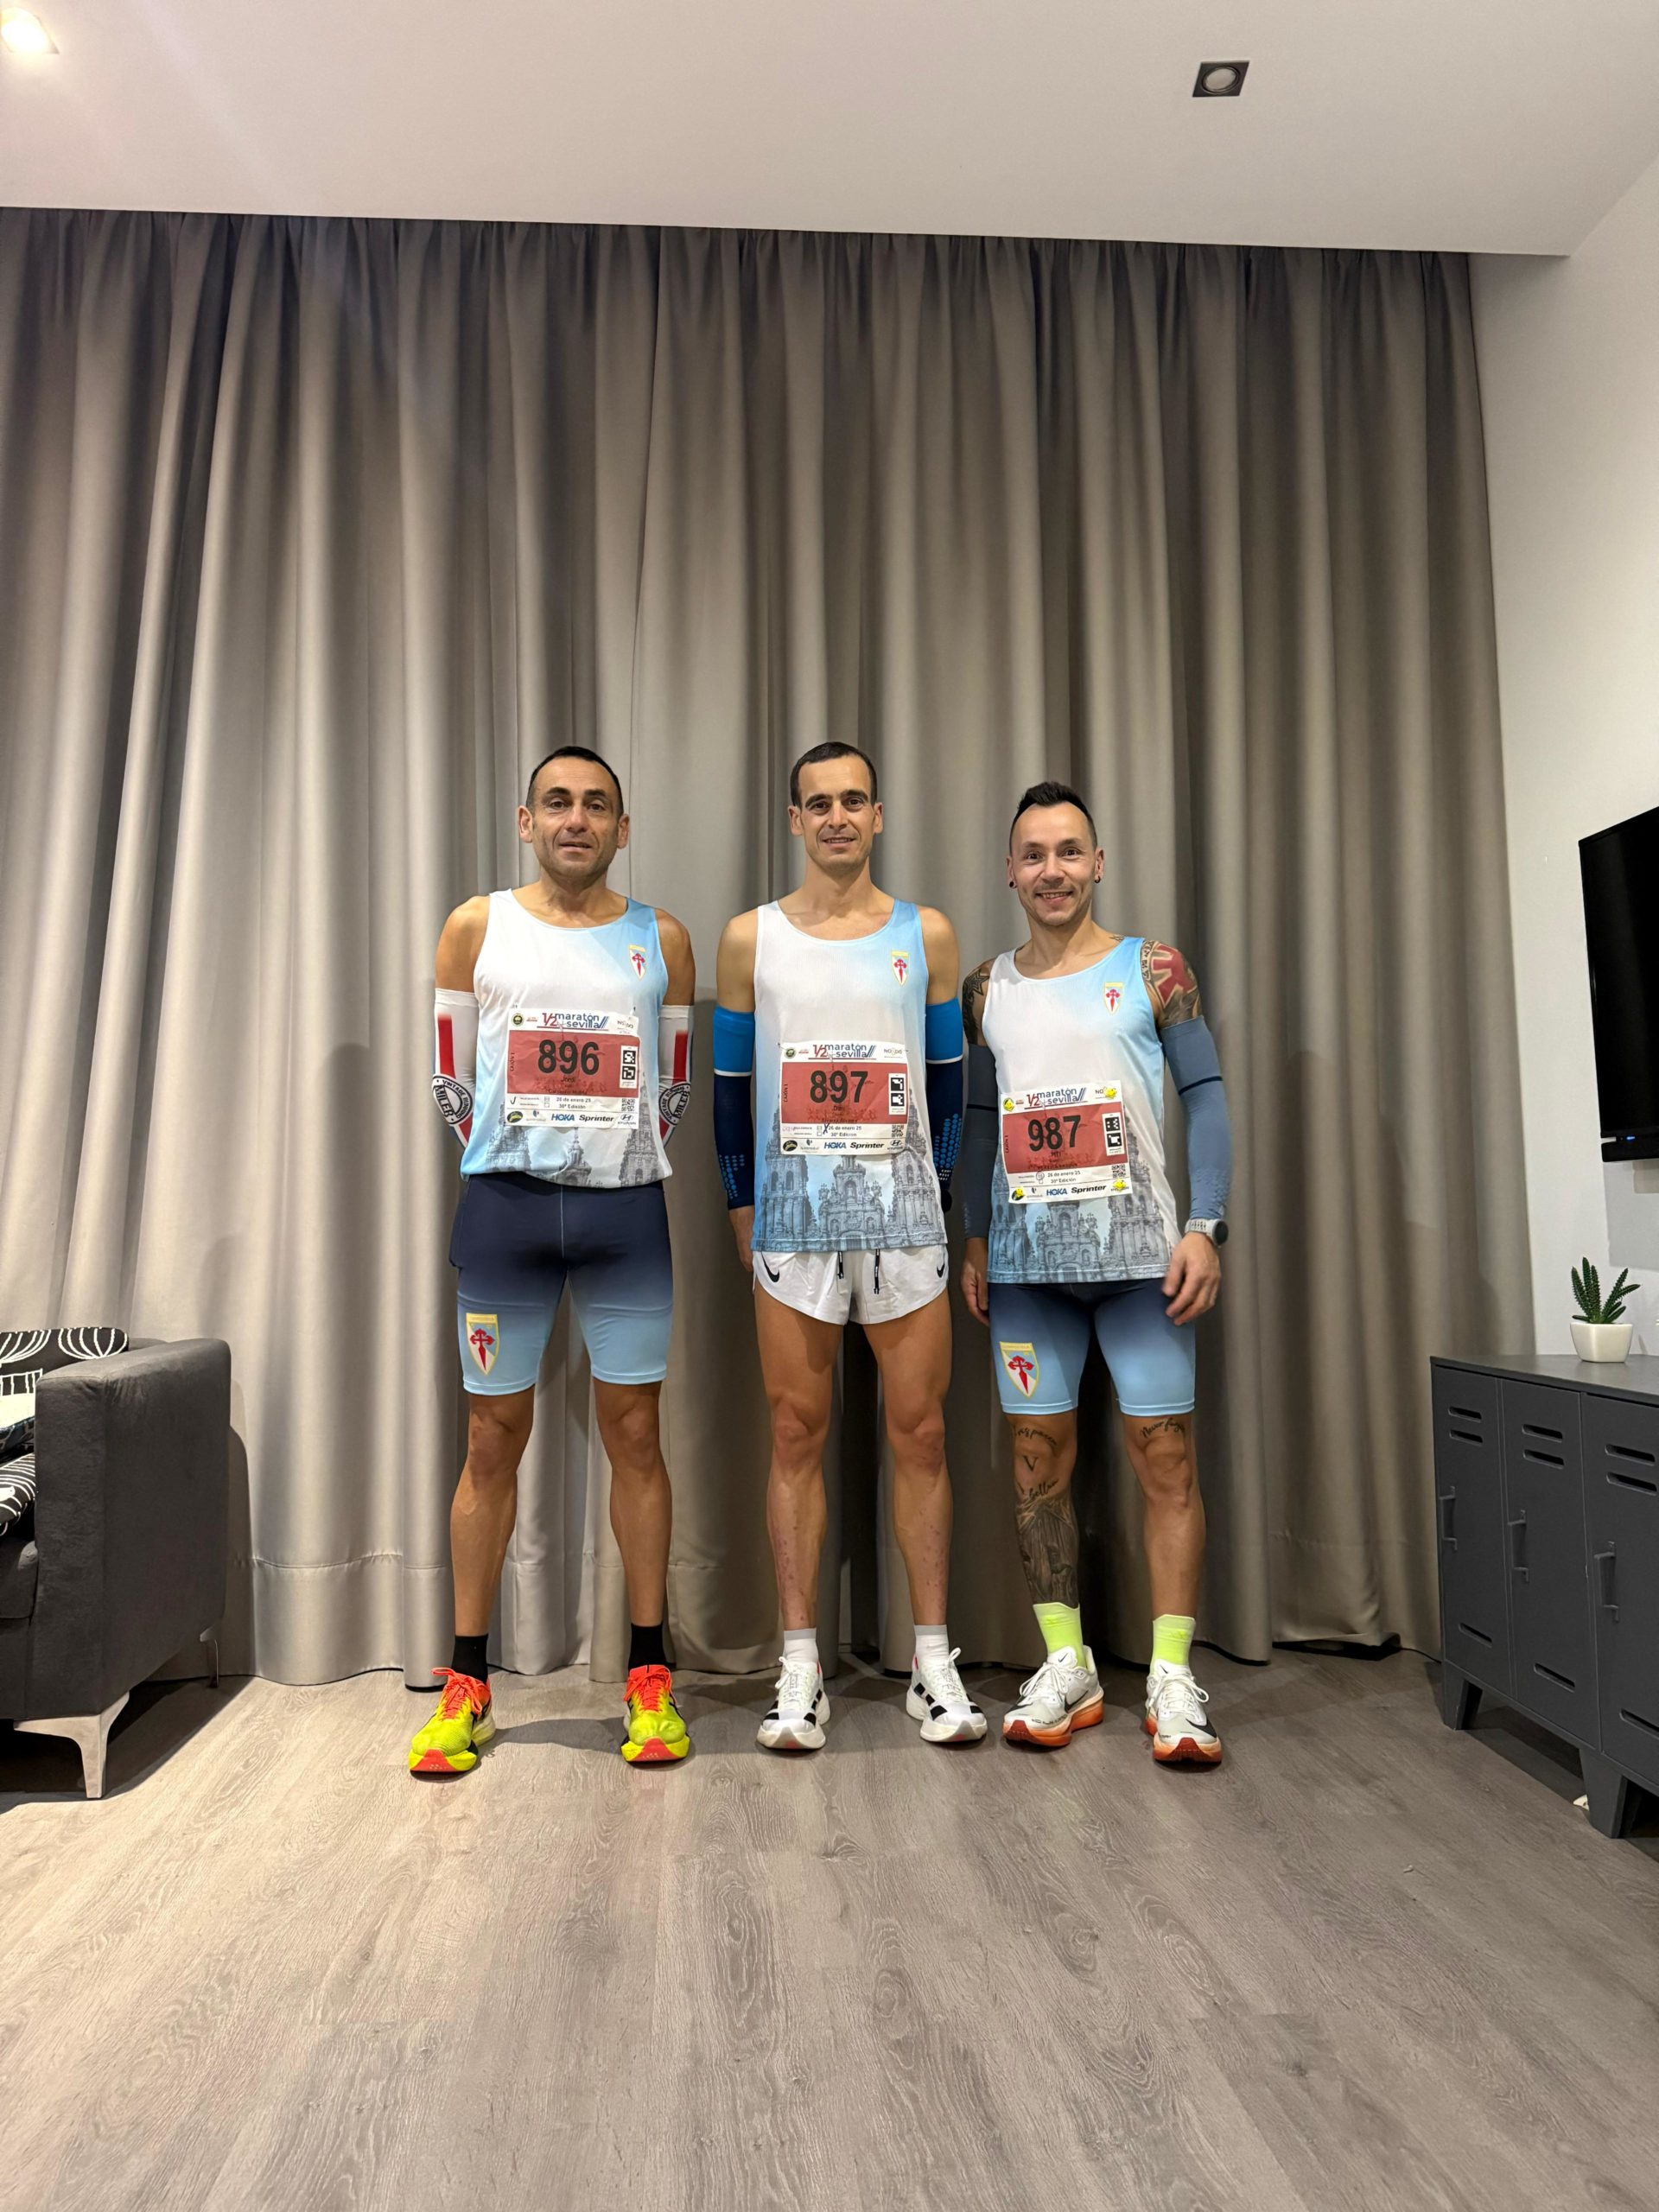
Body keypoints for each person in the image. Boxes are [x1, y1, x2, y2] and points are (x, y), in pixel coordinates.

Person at [410, 747, 696, 1775]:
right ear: (527, 821)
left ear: (623, 828)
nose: (578, 819)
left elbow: (673, 1088)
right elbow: (450, 1077)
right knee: (491, 1442)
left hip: (626, 1221)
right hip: (506, 1216)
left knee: (637, 1437)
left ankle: (649, 1675)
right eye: (559, 803)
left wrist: (608, 1159)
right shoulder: (475, 925)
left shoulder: (663, 937)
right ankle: (467, 1684)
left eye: (598, 805)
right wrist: (516, 1159)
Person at [712, 741, 980, 1751]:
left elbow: (949, 1081)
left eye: (853, 800)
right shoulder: (751, 937)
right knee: (794, 1434)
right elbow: (730, 1089)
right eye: (818, 802)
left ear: (878, 816)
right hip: (795, 1220)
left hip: (904, 1221)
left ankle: (933, 1662)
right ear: (795, 819)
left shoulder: (927, 932)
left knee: (922, 1435)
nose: (836, 817)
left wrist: (938, 1193)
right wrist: (741, 1204)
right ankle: (800, 1668)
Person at [959, 780, 1233, 1762]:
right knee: (1038, 1467)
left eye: (1069, 852)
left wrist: (1206, 1226)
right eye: (1034, 855)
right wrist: (975, 1236)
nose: (1053, 871)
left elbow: (1206, 1096)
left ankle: (1171, 1675)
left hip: (1143, 1267)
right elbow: (978, 1121)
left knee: (1167, 1463)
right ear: (1009, 871)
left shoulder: (1153, 967)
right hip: (1027, 1271)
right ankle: (1066, 1664)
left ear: (1099, 863)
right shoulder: (984, 989)